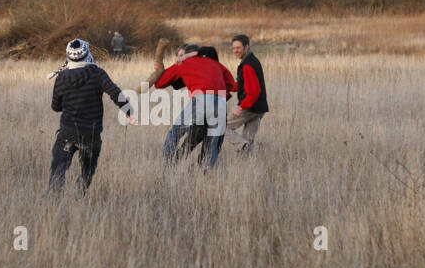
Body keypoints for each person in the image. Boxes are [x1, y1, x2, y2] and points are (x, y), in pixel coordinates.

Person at [49, 38, 133, 192]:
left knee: (58, 168)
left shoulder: (61, 77)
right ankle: (79, 197)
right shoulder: (97, 73)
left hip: (68, 132)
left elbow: (55, 107)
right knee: (87, 171)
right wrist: (129, 112)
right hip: (91, 134)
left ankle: (54, 202)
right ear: (87, 54)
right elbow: (114, 92)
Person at [152, 41, 237, 169]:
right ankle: (207, 174)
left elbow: (159, 84)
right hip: (221, 102)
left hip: (201, 100)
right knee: (212, 142)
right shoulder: (217, 64)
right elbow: (233, 86)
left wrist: (159, 69)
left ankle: (166, 165)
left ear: (186, 55)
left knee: (175, 133)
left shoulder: (183, 64)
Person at [225, 35, 268, 154]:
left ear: (247, 47)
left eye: (238, 48)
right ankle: (246, 167)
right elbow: (245, 84)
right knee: (248, 139)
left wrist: (241, 107)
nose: (235, 51)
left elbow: (254, 92)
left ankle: (241, 145)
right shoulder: (252, 60)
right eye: (233, 48)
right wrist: (229, 86)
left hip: (250, 108)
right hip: (260, 108)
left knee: (221, 128)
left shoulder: (248, 65)